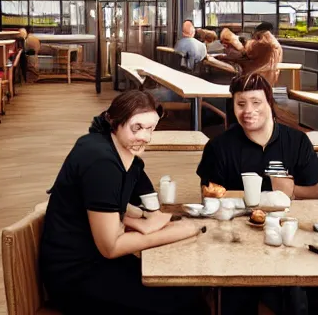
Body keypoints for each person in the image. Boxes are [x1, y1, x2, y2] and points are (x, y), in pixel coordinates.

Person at [40, 90, 206, 315]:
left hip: (89, 260)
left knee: (188, 290)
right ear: (115, 122)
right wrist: (184, 230)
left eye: (151, 129)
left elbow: (150, 206)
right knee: (187, 302)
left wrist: (143, 222)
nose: (145, 137)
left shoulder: (113, 148)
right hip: (75, 276)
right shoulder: (102, 163)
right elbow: (110, 247)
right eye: (137, 127)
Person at [197, 73, 318, 199]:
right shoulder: (217, 147)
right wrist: (268, 191)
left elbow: (316, 192)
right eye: (241, 104)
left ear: (269, 103)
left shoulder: (298, 141)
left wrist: (290, 190)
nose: (248, 111)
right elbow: (209, 194)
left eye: (256, 102)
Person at [219, 23, 283, 86]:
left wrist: (238, 42)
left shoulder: (264, 42)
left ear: (258, 32)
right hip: (269, 79)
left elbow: (247, 51)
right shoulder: (276, 44)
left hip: (256, 79)